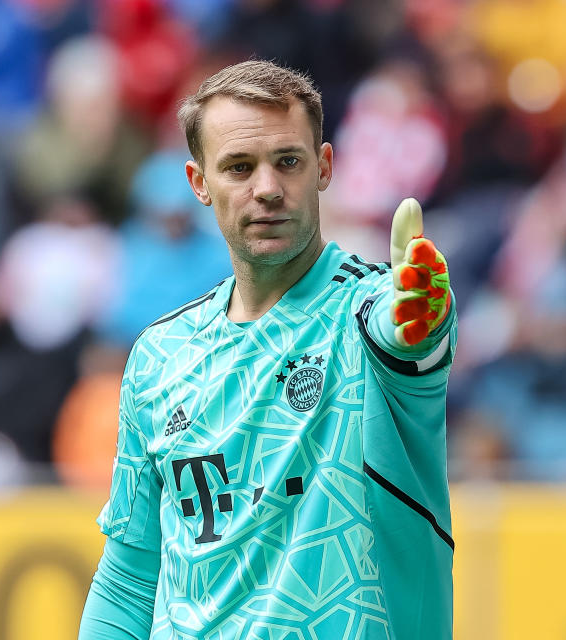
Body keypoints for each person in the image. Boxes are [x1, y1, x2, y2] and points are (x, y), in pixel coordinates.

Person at [78, 60, 456, 640]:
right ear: (198, 182)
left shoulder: (372, 309)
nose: (268, 189)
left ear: (324, 167)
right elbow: (130, 578)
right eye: (238, 167)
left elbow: (407, 340)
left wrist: (422, 325)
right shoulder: (158, 356)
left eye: (288, 161)